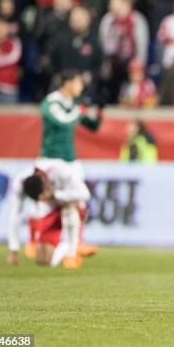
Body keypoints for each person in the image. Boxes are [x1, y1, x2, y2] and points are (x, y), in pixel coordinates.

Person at [39, 70, 103, 260]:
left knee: (78, 202)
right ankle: (41, 243)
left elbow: (92, 126)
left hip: (70, 160)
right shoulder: (51, 102)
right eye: (78, 83)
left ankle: (74, 244)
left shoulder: (73, 104)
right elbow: (64, 122)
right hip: (52, 159)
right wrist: (80, 110)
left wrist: (97, 112)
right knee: (48, 205)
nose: (81, 87)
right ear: (67, 83)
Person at [6, 159, 91, 269]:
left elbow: (85, 194)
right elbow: (15, 214)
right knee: (43, 261)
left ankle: (72, 252)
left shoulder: (61, 170)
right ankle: (66, 247)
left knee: (69, 207)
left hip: (73, 207)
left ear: (44, 179)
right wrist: (14, 249)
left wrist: (55, 195)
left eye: (42, 195)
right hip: (51, 211)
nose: (42, 198)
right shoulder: (20, 181)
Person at [99, 0, 149, 104]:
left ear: (125, 3)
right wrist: (105, 64)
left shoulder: (137, 19)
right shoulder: (108, 19)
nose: (110, 4)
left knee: (130, 95)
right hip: (113, 62)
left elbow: (142, 44)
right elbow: (102, 42)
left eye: (114, 1)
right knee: (112, 92)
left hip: (131, 62)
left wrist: (140, 65)